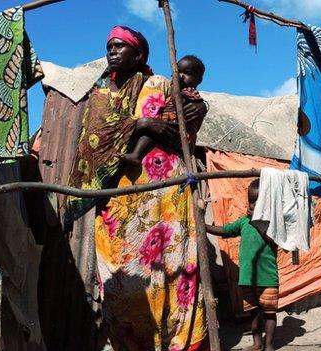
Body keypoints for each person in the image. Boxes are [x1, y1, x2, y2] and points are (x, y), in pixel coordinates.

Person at [66, 26, 208, 350]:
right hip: (120, 198)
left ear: (139, 54)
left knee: (169, 273)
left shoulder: (157, 85)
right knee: (122, 281)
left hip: (162, 194)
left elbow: (179, 131)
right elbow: (96, 140)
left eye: (120, 46)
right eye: (109, 46)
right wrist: (141, 123)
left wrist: (194, 114)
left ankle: (174, 343)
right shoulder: (101, 95)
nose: (112, 51)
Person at [206, 179, 279, 351]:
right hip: (247, 277)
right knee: (253, 311)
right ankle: (257, 343)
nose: (253, 204)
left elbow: (274, 240)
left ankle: (268, 346)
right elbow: (225, 230)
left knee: (269, 313)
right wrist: (205, 226)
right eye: (251, 200)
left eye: (258, 200)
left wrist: (257, 221)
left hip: (267, 277)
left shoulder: (272, 222)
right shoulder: (243, 222)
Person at [122, 55, 206, 165]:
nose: (181, 76)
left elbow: (178, 105)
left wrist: (175, 88)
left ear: (198, 80)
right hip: (168, 127)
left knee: (151, 133)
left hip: (177, 131)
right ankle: (137, 155)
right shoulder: (171, 90)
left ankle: (137, 155)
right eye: (178, 72)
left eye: (187, 73)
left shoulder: (190, 92)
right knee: (150, 133)